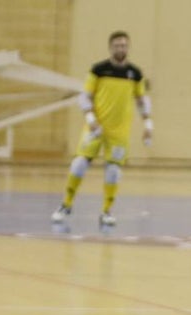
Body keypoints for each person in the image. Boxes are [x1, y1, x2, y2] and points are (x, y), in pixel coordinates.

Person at [51, 31, 153, 232]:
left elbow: (142, 100)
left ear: (128, 47)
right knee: (79, 164)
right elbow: (85, 96)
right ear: (110, 47)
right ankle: (66, 205)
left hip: (119, 133)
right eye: (117, 45)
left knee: (114, 170)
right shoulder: (98, 70)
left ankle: (107, 211)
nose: (120, 49)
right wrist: (91, 120)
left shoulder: (135, 74)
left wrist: (148, 126)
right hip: (95, 128)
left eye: (124, 45)